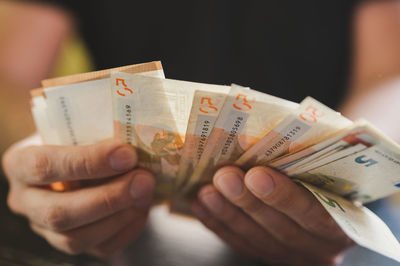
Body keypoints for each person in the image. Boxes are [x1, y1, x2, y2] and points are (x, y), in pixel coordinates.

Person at [1, 0, 400, 264]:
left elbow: (388, 74)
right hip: (127, 199)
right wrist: (46, 148)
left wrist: (353, 170)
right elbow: (11, 77)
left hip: (324, 208)